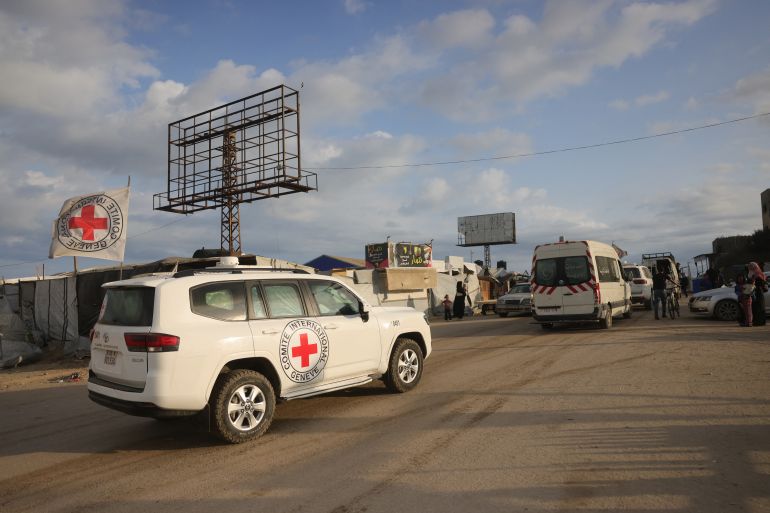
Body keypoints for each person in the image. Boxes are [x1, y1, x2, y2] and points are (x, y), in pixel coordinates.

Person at [748, 261, 767, 326]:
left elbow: (759, 283)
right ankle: (758, 321)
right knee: (757, 307)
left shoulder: (757, 274)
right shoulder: (759, 273)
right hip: (757, 292)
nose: (749, 267)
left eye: (751, 266)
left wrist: (753, 281)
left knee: (758, 307)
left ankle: (759, 322)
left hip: (757, 292)